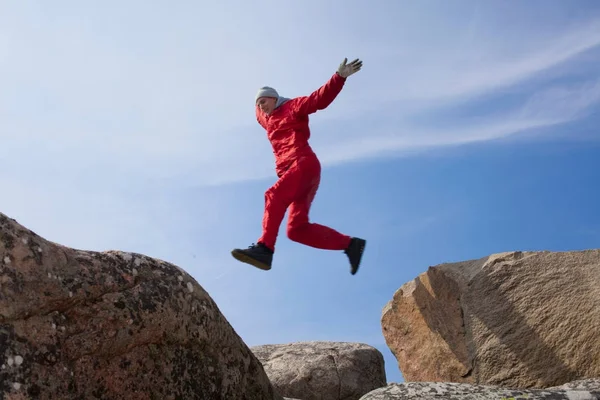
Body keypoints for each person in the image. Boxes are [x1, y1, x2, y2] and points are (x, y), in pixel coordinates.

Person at [231, 58, 366, 275]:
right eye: (258, 105)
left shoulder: (292, 107)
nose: (260, 107)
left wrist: (338, 78)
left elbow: (318, 100)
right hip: (300, 174)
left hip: (302, 164)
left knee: (273, 196)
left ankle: (265, 248)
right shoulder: (267, 119)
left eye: (263, 102)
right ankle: (350, 245)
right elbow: (257, 110)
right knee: (296, 230)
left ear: (274, 98)